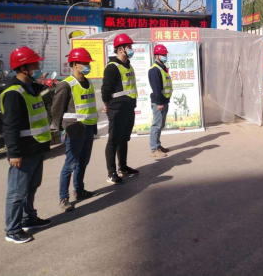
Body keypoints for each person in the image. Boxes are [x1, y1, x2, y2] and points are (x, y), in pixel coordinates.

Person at [0, 47, 52, 243]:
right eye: (34, 64)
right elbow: (10, 126)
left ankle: (28, 218)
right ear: (23, 68)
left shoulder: (31, 87)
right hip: (23, 151)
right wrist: (13, 153)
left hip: (37, 147)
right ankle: (13, 230)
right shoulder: (13, 93)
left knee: (31, 187)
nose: (38, 67)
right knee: (17, 192)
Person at [51, 48, 99, 212]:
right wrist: (62, 129)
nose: (87, 66)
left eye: (88, 63)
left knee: (83, 162)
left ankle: (79, 190)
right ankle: (63, 198)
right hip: (74, 130)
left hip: (89, 129)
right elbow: (56, 110)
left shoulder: (88, 82)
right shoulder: (66, 85)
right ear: (75, 64)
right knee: (70, 164)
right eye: (84, 63)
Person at [102, 34, 139, 184]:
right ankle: (111, 173)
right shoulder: (112, 67)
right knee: (113, 141)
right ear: (121, 49)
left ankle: (123, 167)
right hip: (116, 109)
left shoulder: (128, 65)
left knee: (124, 139)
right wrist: (107, 105)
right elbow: (106, 90)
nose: (131, 49)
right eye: (129, 46)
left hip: (128, 109)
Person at [148, 44, 173, 157]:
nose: (165, 56)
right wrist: (159, 103)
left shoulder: (163, 68)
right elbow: (156, 88)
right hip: (159, 102)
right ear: (156, 56)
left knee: (161, 125)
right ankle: (154, 149)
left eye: (165, 54)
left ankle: (157, 145)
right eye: (163, 54)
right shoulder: (154, 70)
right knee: (156, 125)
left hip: (164, 101)